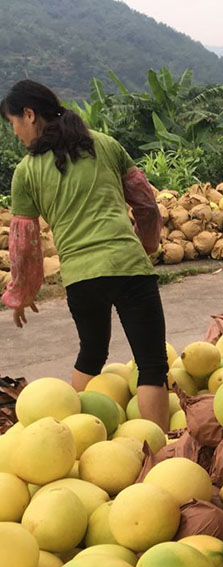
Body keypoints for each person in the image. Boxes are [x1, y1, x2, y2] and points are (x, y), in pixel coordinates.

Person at [1, 80, 170, 431]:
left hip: (82, 279)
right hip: (130, 268)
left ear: (29, 116)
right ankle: (161, 451)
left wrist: (23, 293)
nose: (14, 132)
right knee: (152, 365)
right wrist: (147, 245)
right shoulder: (105, 145)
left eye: (13, 122)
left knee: (92, 355)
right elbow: (146, 203)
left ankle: (66, 435)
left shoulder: (26, 173)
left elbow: (25, 245)